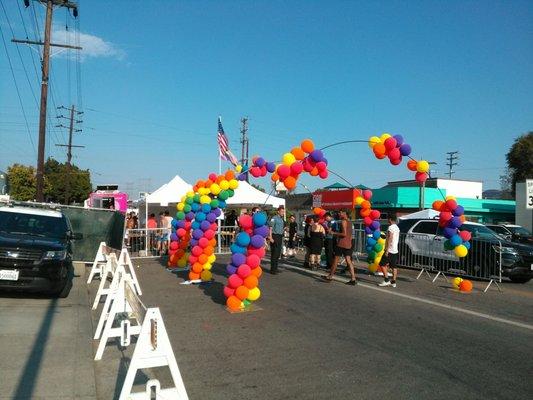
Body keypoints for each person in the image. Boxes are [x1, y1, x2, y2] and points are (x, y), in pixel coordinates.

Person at [323, 210, 357, 285]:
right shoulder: (350, 222)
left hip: (341, 244)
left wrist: (333, 233)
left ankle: (330, 276)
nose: (339, 214)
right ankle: (353, 278)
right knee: (348, 261)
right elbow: (350, 235)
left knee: (336, 260)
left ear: (345, 213)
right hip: (348, 244)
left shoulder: (343, 221)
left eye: (341, 212)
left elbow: (344, 234)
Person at [378, 214, 400, 287]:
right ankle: (393, 282)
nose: (387, 220)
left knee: (382, 264)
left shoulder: (390, 227)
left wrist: (387, 250)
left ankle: (386, 280)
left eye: (388, 219)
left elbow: (390, 237)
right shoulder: (397, 227)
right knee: (394, 266)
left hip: (390, 249)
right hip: (395, 249)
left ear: (390, 219)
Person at [268, 205, 285, 274]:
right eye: (281, 211)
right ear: (278, 211)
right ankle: (273, 270)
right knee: (274, 253)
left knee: (278, 254)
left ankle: (276, 268)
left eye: (283, 212)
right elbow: (270, 228)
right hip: (275, 236)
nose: (282, 213)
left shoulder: (281, 219)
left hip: (280, 236)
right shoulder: (274, 218)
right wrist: (270, 237)